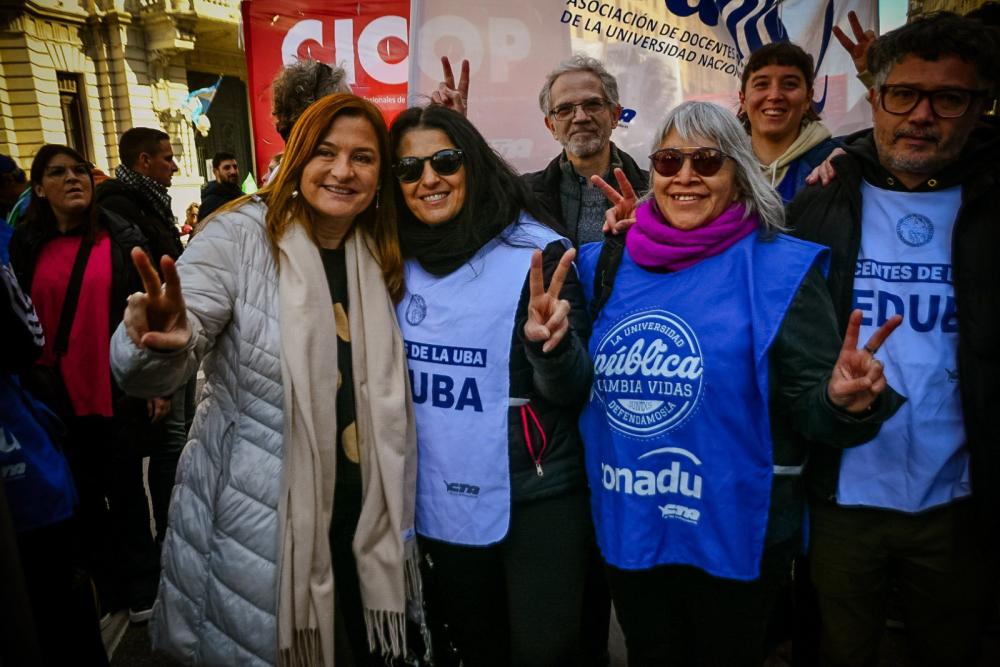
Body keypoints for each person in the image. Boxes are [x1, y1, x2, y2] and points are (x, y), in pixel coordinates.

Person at [575, 101, 903, 667]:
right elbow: (572, 383)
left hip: (736, 526)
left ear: (738, 175)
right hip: (632, 517)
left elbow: (812, 412)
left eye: (707, 161)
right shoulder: (602, 263)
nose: (685, 175)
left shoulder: (779, 269)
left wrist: (841, 401)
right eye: (669, 159)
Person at [110, 93, 419, 667]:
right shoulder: (237, 237)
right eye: (326, 152)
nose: (343, 171)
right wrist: (152, 341)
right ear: (298, 157)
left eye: (364, 157)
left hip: (366, 523)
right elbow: (171, 343)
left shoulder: (383, 246)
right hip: (260, 527)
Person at [785, 12, 1000, 666]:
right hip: (845, 498)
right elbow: (790, 350)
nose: (922, 114)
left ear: (979, 107)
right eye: (902, 93)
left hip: (960, 502)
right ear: (874, 97)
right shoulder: (820, 200)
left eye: (948, 97)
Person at [389, 104, 592, 666]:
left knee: (544, 652)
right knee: (477, 648)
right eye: (408, 169)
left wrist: (549, 346)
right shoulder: (389, 257)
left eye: (445, 161)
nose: (428, 179)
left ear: (472, 163)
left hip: (536, 493)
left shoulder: (537, 251)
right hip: (438, 492)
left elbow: (573, 388)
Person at [7, 144, 160, 625]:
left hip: (112, 391)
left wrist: (156, 381)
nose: (73, 179)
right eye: (58, 173)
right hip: (53, 398)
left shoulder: (119, 239)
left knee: (128, 494)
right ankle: (108, 587)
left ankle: (142, 587)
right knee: (83, 500)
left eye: (79, 171)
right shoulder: (24, 246)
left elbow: (149, 314)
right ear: (38, 188)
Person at [96, 127, 187, 549]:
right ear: (144, 161)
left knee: (172, 444)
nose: (174, 165)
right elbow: (133, 290)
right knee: (167, 446)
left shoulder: (148, 201)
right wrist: (153, 369)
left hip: (166, 341)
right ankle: (167, 539)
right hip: (148, 348)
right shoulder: (120, 208)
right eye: (167, 158)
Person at [523, 54, 648, 248]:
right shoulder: (524, 196)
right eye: (564, 109)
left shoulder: (654, 192)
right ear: (551, 127)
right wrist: (458, 127)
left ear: (615, 115)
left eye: (592, 104)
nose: (580, 117)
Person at [738, 41, 841, 203]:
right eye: (761, 84)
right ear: (743, 99)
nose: (774, 95)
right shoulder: (719, 165)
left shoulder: (837, 160)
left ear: (808, 98)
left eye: (789, 84)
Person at [198, 151, 242, 221]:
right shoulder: (209, 205)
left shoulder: (243, 197)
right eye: (227, 168)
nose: (233, 171)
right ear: (216, 172)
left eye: (235, 167)